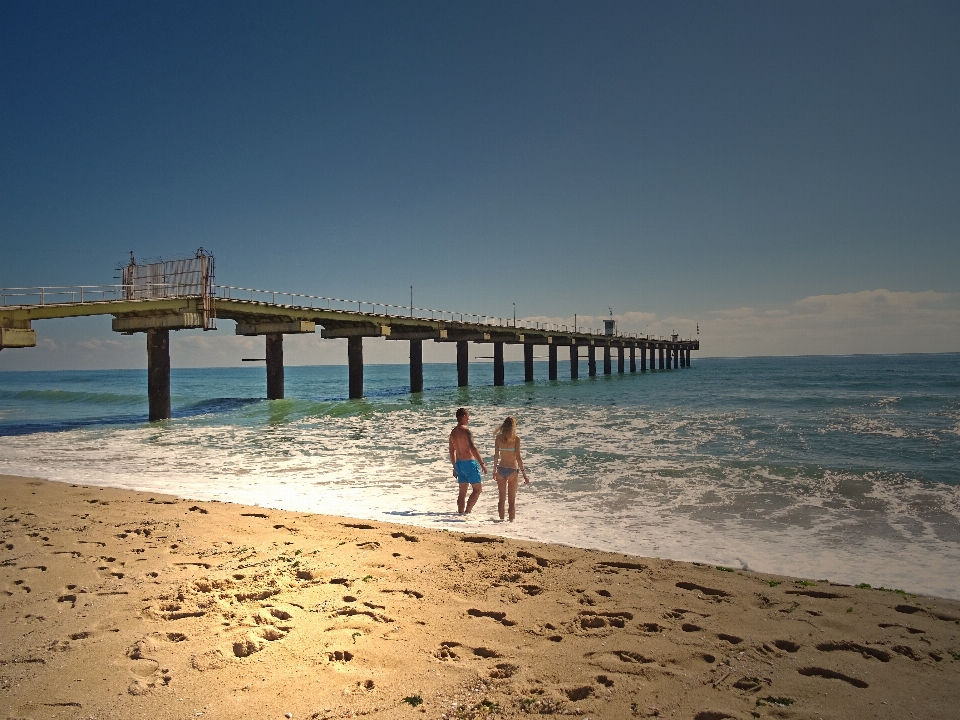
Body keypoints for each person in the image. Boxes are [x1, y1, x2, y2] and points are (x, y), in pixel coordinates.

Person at [449, 407, 487, 514]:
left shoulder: (453, 433)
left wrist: (454, 467)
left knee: (462, 493)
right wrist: (482, 463)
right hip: (469, 463)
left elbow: (451, 452)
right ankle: (467, 512)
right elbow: (473, 448)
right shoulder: (466, 431)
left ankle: (460, 513)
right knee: (477, 489)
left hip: (459, 464)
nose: (469, 418)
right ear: (464, 416)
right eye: (468, 416)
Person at [491, 416, 529, 521]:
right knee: (511, 501)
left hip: (501, 469)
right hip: (512, 470)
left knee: (501, 499)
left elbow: (496, 456)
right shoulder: (516, 439)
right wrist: (524, 474)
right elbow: (518, 458)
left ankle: (501, 522)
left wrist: (494, 470)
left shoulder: (498, 438)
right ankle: (511, 524)